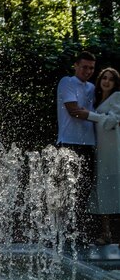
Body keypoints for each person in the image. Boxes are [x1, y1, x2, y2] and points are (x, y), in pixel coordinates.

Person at [56, 51, 96, 243]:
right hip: (69, 143)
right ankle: (60, 233)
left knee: (84, 190)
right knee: (66, 190)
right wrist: (100, 118)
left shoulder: (93, 87)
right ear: (76, 66)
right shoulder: (67, 82)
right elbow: (74, 111)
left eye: (91, 68)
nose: (88, 71)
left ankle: (77, 232)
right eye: (84, 67)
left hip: (89, 144)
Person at [82, 68, 120, 245]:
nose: (106, 81)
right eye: (104, 78)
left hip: (113, 153)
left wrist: (90, 115)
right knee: (103, 190)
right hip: (100, 152)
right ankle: (106, 234)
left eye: (111, 79)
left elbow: (112, 122)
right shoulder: (97, 100)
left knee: (115, 188)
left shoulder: (117, 97)